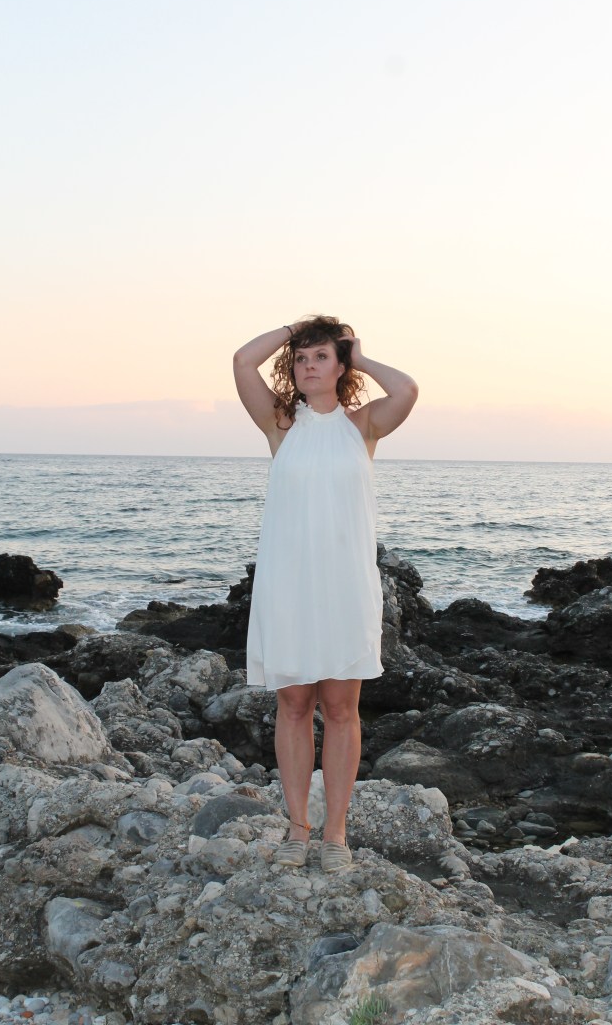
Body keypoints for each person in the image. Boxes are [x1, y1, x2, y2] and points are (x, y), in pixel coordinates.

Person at [232, 316, 418, 872]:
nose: (308, 366)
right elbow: (242, 361)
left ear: (341, 366)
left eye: (320, 357)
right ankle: (298, 828)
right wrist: (292, 329)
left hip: (344, 585)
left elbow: (407, 390)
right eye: (301, 358)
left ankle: (335, 834)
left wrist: (359, 354)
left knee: (341, 709)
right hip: (289, 584)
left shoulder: (363, 425)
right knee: (293, 706)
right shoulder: (280, 424)